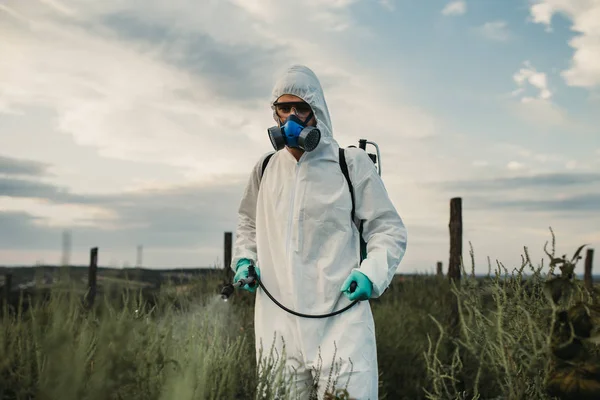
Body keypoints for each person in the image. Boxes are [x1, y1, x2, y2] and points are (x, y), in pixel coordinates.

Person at [231, 64, 407, 400]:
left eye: (302, 108)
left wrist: (371, 273)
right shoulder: (265, 169)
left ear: (318, 112)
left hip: (341, 323)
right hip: (277, 327)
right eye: (284, 108)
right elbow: (247, 224)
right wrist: (244, 260)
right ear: (275, 114)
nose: (292, 117)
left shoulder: (349, 163)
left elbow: (387, 228)